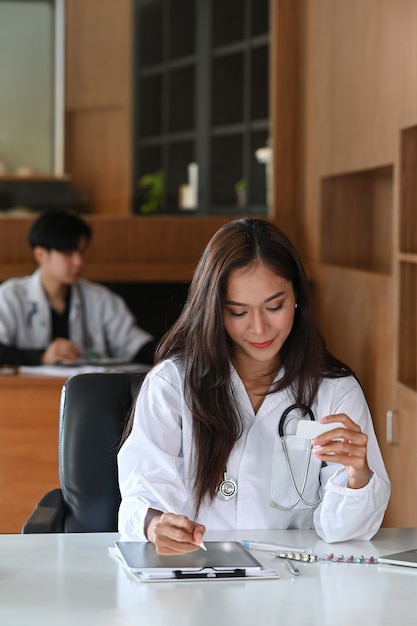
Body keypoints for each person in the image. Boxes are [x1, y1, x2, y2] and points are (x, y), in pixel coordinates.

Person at [117, 218, 391, 554]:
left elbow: (344, 533)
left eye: (274, 307)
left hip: (294, 584)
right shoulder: (172, 385)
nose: (259, 328)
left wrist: (357, 476)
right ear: (214, 311)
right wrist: (154, 524)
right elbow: (140, 495)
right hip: (198, 576)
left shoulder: (335, 390)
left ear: (297, 299)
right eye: (238, 312)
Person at [0, 209, 157, 366]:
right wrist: (42, 356)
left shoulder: (100, 298)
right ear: (40, 254)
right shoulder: (10, 296)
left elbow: (134, 344)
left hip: (86, 389)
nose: (79, 262)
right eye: (68, 253)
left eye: (81, 252)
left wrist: (169, 355)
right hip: (28, 389)